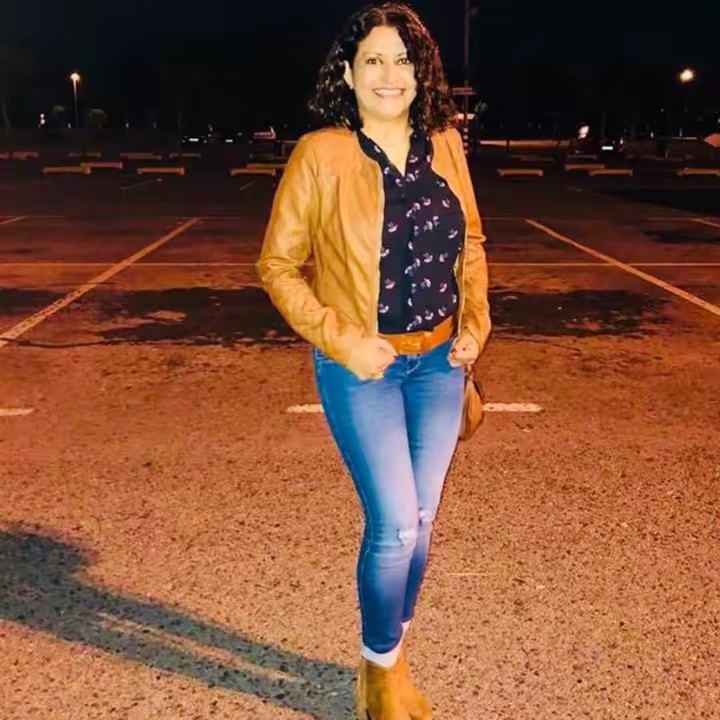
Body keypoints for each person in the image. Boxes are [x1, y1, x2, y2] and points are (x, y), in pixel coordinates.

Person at [257, 4, 491, 718]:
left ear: (423, 73)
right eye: (374, 61)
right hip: (363, 369)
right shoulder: (321, 154)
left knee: (422, 520)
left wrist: (475, 325)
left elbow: (471, 243)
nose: (390, 75)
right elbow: (277, 265)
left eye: (403, 60)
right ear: (349, 74)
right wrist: (342, 338)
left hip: (440, 364)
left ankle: (388, 654)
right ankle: (381, 670)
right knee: (394, 524)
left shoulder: (446, 143)